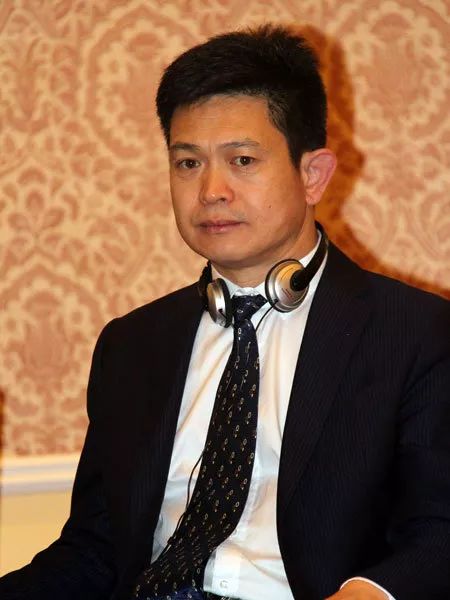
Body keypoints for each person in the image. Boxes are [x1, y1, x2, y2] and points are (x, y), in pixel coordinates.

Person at [1, 24, 449, 600]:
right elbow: (95, 550)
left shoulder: (415, 334)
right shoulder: (132, 344)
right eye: (188, 163)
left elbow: (439, 533)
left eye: (242, 160)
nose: (211, 189)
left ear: (312, 175)